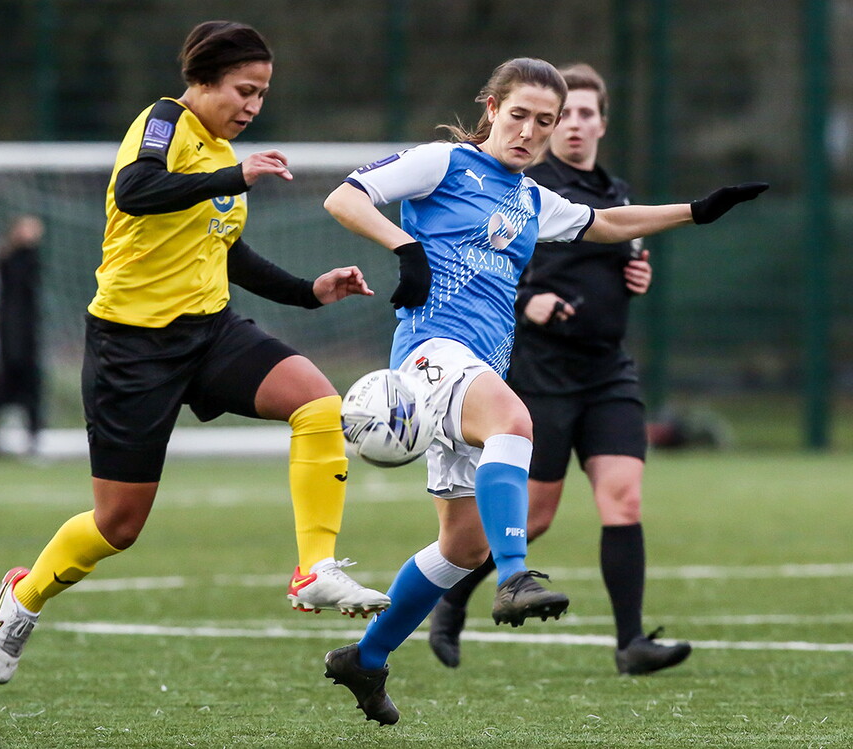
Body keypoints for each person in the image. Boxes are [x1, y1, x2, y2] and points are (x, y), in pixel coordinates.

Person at [321, 56, 766, 724]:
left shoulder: (533, 199)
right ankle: (515, 578)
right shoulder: (444, 162)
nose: (530, 130)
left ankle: (368, 657)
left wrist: (698, 212)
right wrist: (404, 249)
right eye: (520, 114)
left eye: (545, 121)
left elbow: (607, 223)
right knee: (515, 422)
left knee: (459, 545)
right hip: (431, 357)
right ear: (491, 107)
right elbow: (345, 197)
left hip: (479, 371)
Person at [0, 20, 390, 686]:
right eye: (244, 90)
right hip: (131, 346)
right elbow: (136, 192)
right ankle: (22, 597)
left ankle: (314, 569)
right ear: (203, 81)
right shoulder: (165, 123)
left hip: (210, 332)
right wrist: (234, 174)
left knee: (317, 402)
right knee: (117, 525)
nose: (253, 107)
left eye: (262, 95)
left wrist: (311, 291)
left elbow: (227, 250)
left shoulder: (222, 155)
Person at [427, 63, 692, 677]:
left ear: (602, 121)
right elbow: (482, 267)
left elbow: (614, 253)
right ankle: (455, 597)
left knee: (622, 500)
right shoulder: (523, 183)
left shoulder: (616, 192)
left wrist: (635, 278)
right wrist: (530, 303)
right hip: (541, 373)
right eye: (561, 115)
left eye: (584, 113)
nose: (572, 124)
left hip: (608, 372)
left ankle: (631, 644)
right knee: (536, 515)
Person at [0, 214, 45, 456]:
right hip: (13, 343)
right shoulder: (11, 260)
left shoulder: (31, 259)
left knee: (32, 392)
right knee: (0, 390)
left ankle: (33, 440)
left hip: (27, 341)